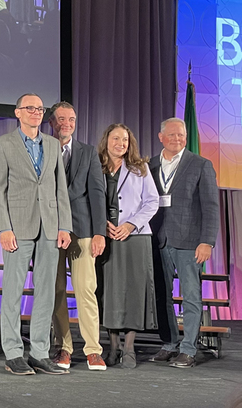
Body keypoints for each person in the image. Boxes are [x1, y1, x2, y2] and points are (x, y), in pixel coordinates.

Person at [0, 93, 71, 376]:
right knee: (12, 293)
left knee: (46, 293)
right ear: (18, 112)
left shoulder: (52, 144)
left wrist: (64, 225)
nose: (36, 112)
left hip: (50, 226)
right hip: (18, 227)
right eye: (30, 108)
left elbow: (60, 188)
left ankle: (39, 352)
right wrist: (4, 228)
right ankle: (13, 353)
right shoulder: (2, 145)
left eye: (40, 108)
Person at [148, 117, 219, 368]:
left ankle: (188, 349)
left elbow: (211, 207)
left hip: (190, 241)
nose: (177, 139)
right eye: (172, 135)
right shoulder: (150, 164)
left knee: (190, 296)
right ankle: (169, 344)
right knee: (161, 296)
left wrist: (207, 241)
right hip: (158, 239)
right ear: (161, 137)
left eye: (181, 135)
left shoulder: (201, 165)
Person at [47, 102, 107, 372]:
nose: (66, 124)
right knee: (57, 291)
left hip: (82, 231)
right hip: (50, 232)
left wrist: (99, 233)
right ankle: (64, 348)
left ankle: (93, 349)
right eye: (61, 119)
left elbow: (97, 193)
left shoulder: (88, 152)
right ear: (52, 123)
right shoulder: (44, 150)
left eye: (71, 119)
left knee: (85, 290)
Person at [97, 123, 159, 368]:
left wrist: (132, 224)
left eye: (124, 139)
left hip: (135, 237)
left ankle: (130, 348)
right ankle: (113, 348)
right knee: (109, 292)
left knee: (133, 292)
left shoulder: (139, 168)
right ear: (107, 140)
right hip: (105, 237)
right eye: (115, 138)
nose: (120, 143)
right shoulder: (96, 166)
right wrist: (100, 225)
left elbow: (152, 202)